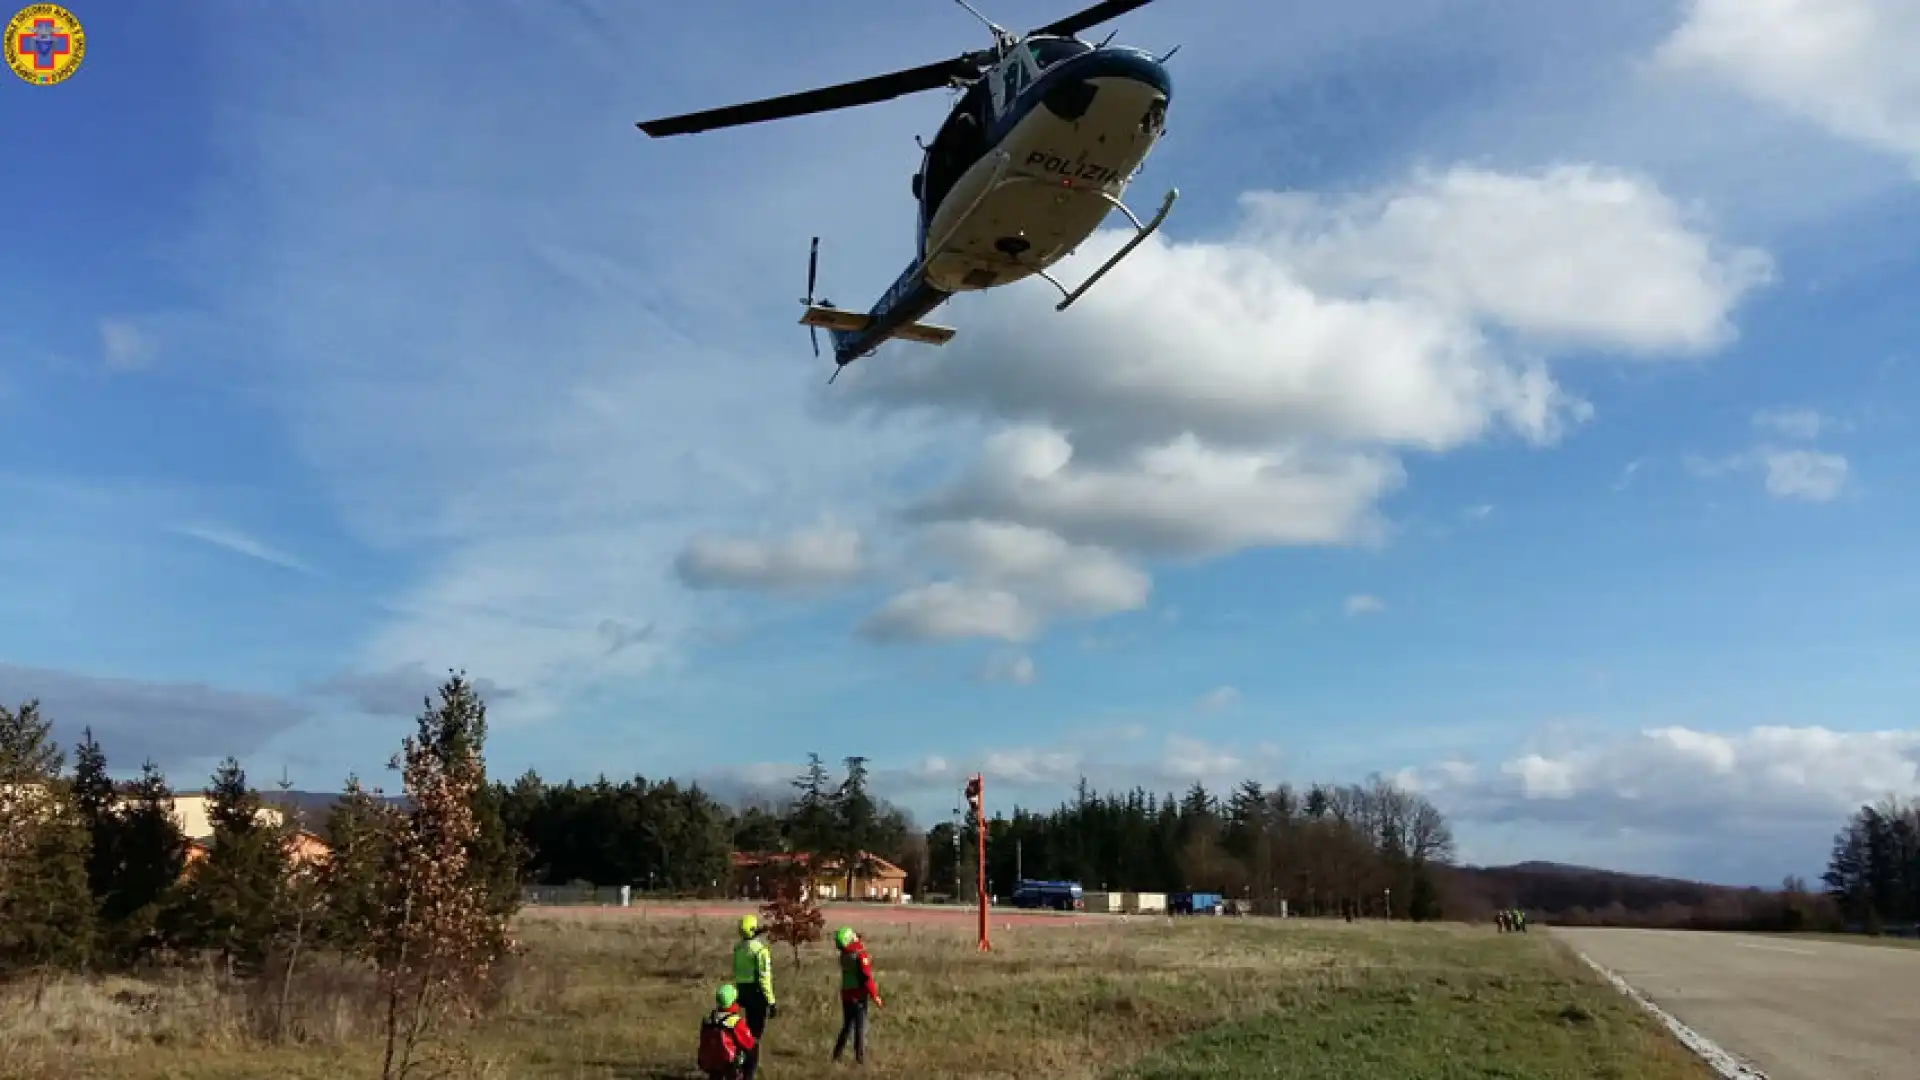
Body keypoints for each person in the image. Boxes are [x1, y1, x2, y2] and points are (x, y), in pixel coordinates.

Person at [732, 914, 777, 1079]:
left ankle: (739, 1061)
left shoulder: (737, 948)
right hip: (757, 994)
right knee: (755, 1035)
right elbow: (764, 978)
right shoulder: (760, 950)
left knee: (743, 1030)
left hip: (741, 992)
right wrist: (771, 1001)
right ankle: (748, 1070)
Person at [832, 926, 883, 1065]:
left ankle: (837, 1055)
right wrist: (875, 996)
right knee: (860, 1027)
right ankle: (860, 1058)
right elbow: (867, 978)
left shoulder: (844, 956)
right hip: (859, 997)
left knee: (847, 1026)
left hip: (846, 996)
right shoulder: (860, 955)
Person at [698, 984, 756, 1080]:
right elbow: (748, 1043)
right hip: (728, 1062)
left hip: (709, 1060)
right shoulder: (735, 1022)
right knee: (753, 1049)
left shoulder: (708, 1020)